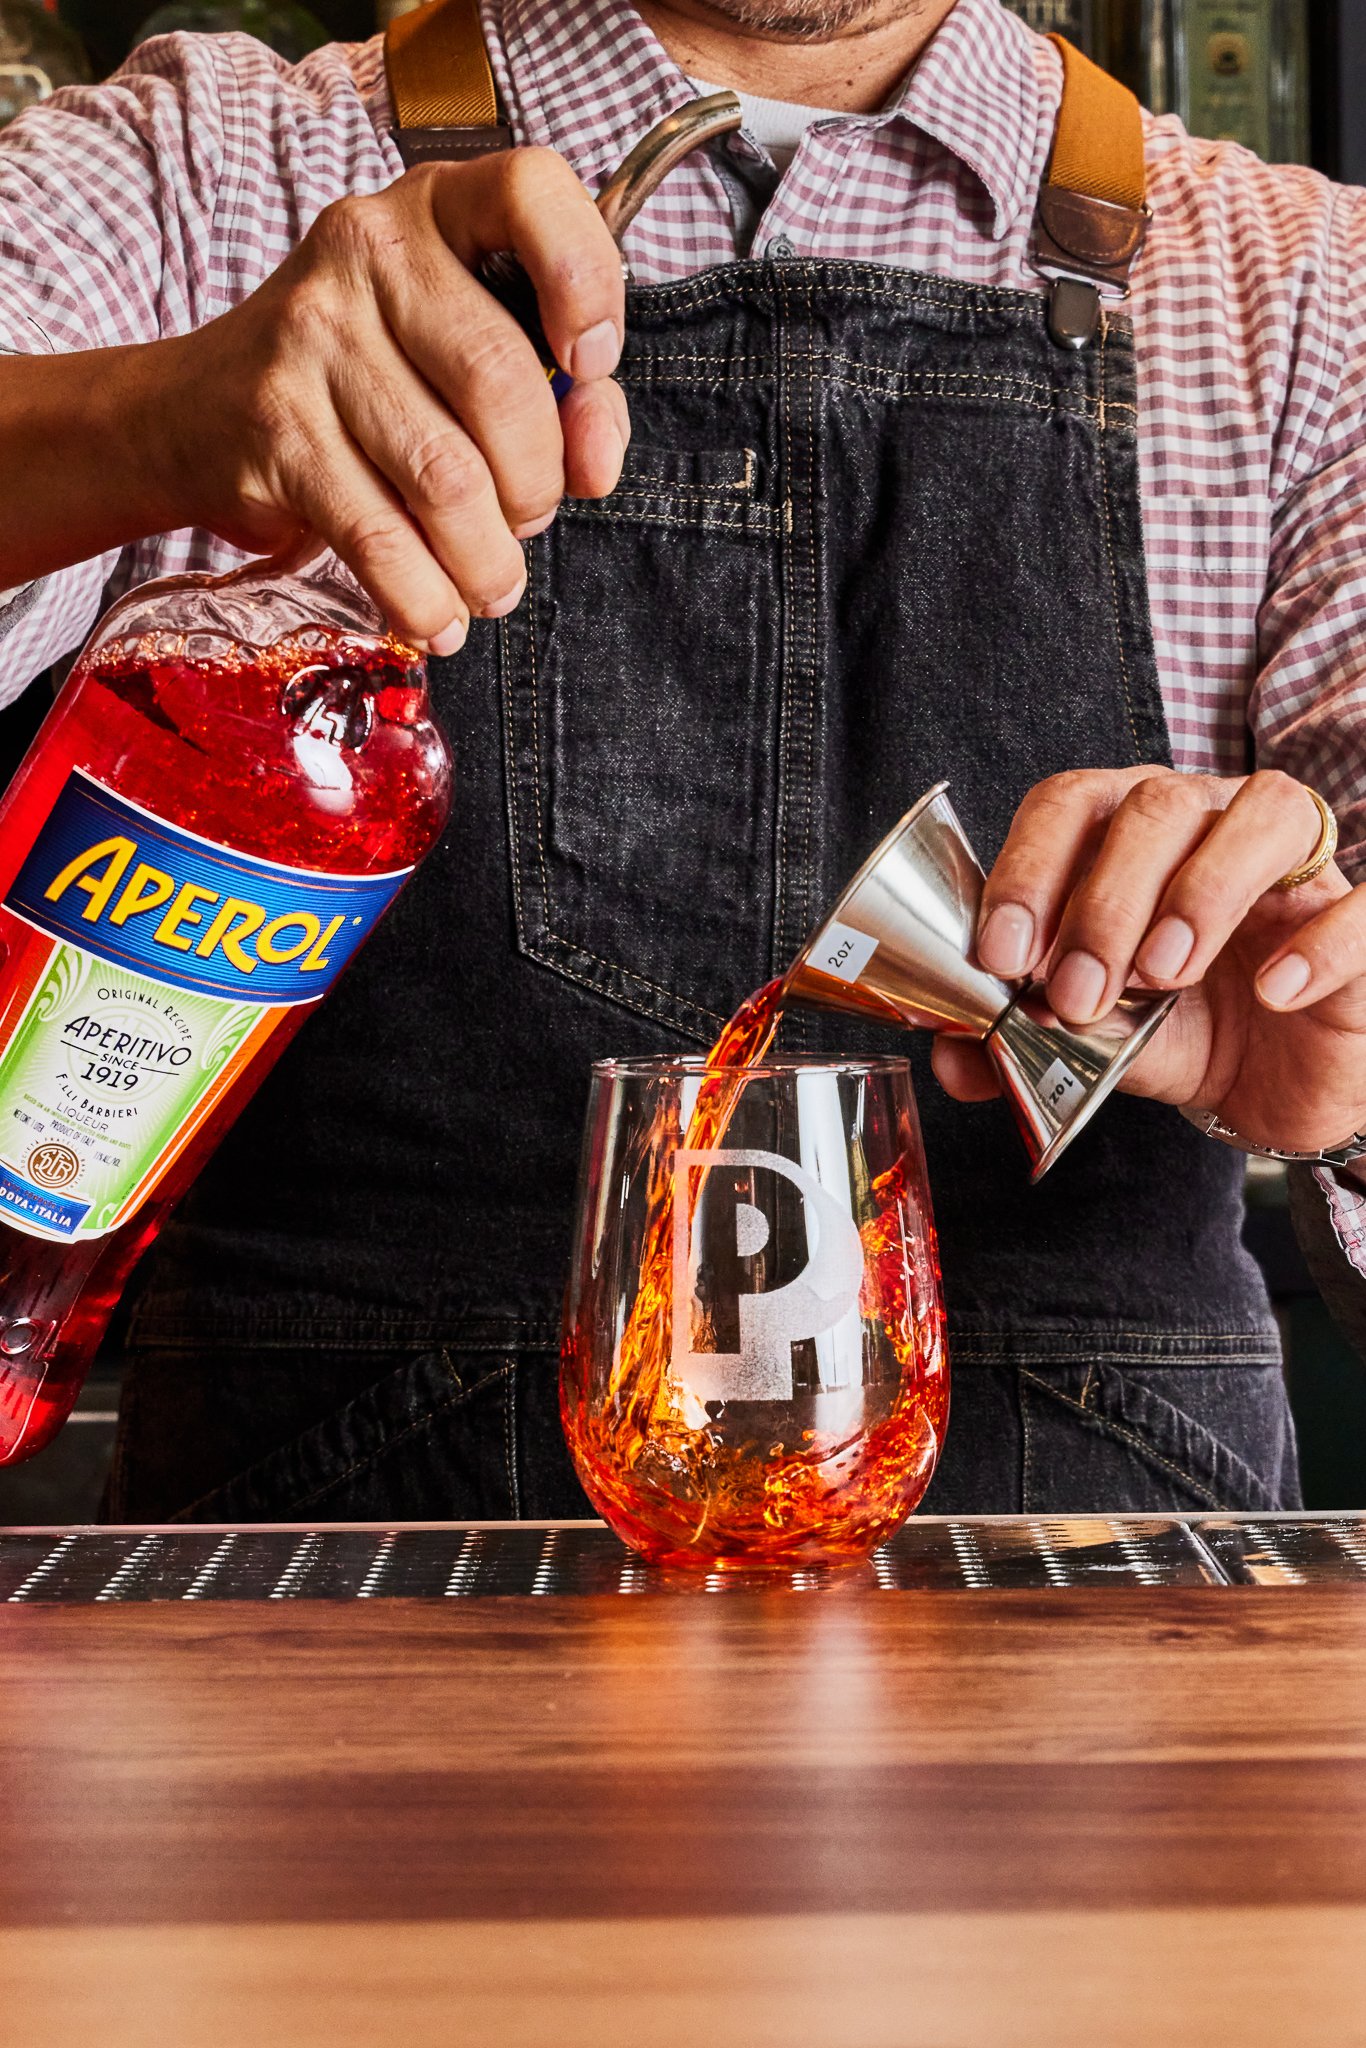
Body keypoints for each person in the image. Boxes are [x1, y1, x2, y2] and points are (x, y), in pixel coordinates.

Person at [1, 0, 1363, 1522]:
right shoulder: (198, 170)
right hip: (323, 1583)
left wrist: (1342, 1066)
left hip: (1110, 1592)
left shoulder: (1307, 291)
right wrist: (146, 416)